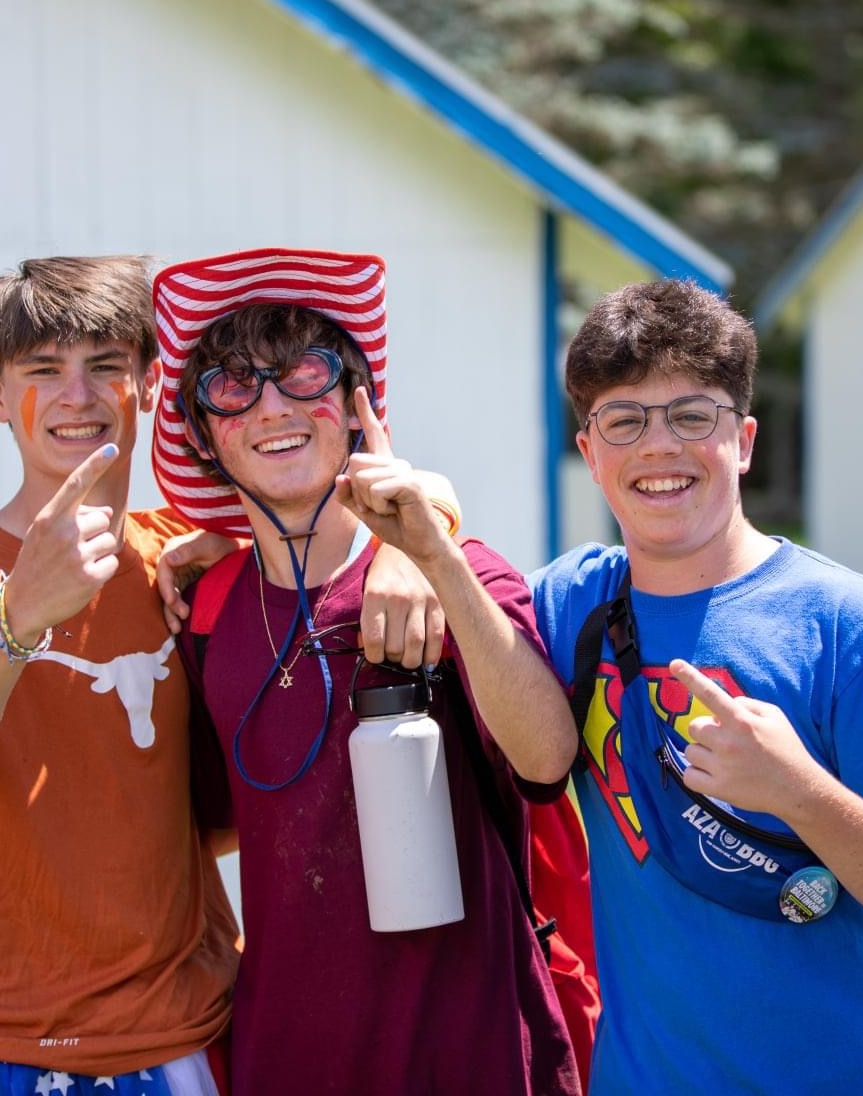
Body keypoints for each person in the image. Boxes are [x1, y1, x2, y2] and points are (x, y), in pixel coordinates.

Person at [0, 255, 444, 1095]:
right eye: (42, 371)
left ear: (147, 383)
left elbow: (351, 508)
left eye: (105, 366)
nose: (78, 396)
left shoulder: (194, 560)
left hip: (191, 1033)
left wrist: (410, 546)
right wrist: (18, 615)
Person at [528, 278, 863, 1094]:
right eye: (624, 420)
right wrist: (411, 551)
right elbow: (461, 598)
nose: (659, 447)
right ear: (591, 454)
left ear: (742, 440)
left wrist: (797, 789)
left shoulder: (842, 621)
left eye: (693, 416)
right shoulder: (570, 605)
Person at [153, 247, 583, 1096]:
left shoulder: (459, 572)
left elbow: (546, 759)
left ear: (356, 409)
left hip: (476, 1055)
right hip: (285, 1056)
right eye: (233, 386)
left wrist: (432, 553)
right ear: (205, 436)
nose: (273, 404)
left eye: (304, 372)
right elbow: (200, 824)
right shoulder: (201, 608)